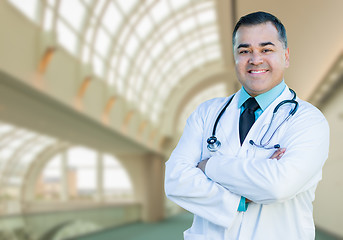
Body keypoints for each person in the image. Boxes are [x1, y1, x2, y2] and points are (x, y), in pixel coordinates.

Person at [164, 11, 329, 240]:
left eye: (266, 49)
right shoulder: (206, 113)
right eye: (244, 51)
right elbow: (175, 179)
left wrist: (208, 166)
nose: (255, 59)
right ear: (235, 58)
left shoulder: (308, 120)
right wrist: (240, 199)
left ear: (286, 56)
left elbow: (277, 186)